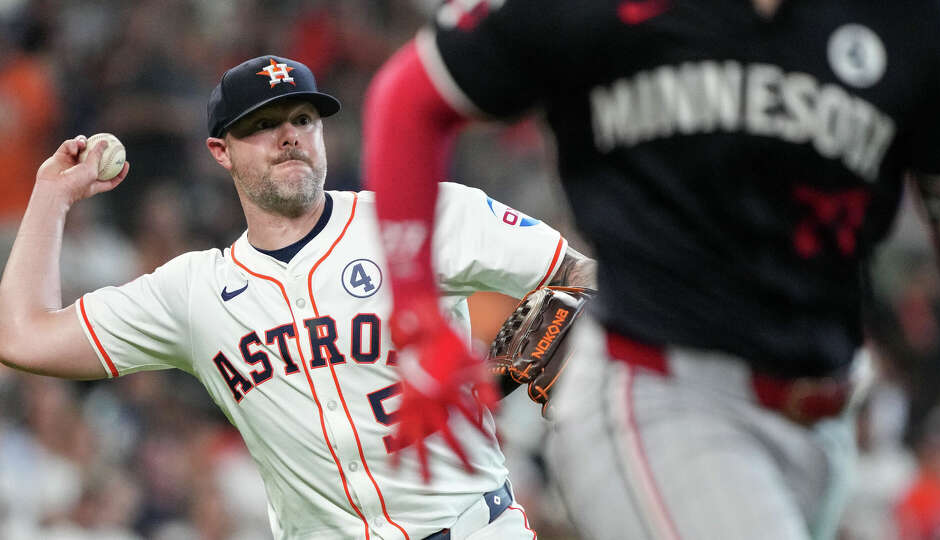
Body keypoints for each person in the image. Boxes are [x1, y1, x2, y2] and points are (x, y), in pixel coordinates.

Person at [362, 1, 940, 539]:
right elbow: (411, 97)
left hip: (826, 415)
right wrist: (416, 313)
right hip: (660, 391)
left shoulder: (916, 19)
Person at [0, 54, 593, 539]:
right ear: (219, 152)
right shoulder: (192, 293)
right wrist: (50, 196)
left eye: (303, 118)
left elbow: (583, 273)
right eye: (261, 124)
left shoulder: (420, 214)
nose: (288, 136)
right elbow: (21, 336)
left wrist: (586, 323)